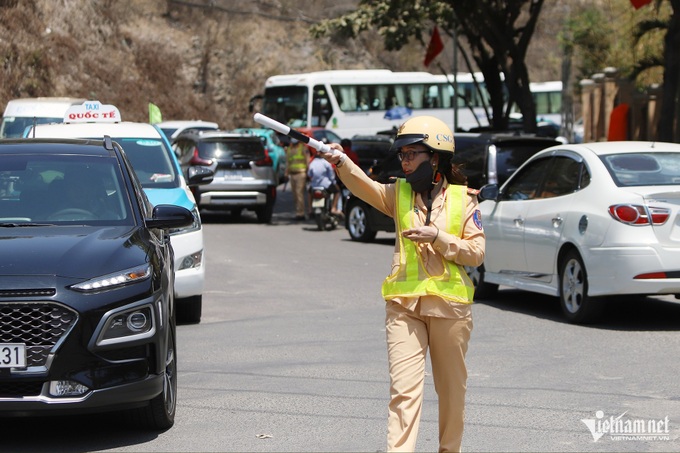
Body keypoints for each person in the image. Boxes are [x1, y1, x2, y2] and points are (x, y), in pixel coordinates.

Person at [321, 116, 485, 452]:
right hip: (403, 308)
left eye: (412, 154)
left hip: (450, 310)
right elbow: (366, 187)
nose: (405, 161)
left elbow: (477, 253)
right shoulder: (398, 194)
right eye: (402, 155)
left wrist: (438, 237)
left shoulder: (464, 199)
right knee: (404, 392)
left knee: (452, 394)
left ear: (436, 157)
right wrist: (342, 162)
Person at [307, 150, 341, 215]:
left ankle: (310, 209)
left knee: (309, 193)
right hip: (326, 185)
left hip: (314, 185)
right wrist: (334, 182)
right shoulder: (326, 163)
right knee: (337, 192)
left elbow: (309, 174)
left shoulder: (312, 163)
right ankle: (333, 208)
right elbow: (331, 175)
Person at [285, 138, 310, 220]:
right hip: (292, 174)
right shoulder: (289, 149)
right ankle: (298, 211)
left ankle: (301, 213)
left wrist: (308, 172)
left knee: (299, 193)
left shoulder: (303, 148)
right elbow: (288, 162)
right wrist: (286, 173)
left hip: (301, 173)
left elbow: (307, 161)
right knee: (295, 195)